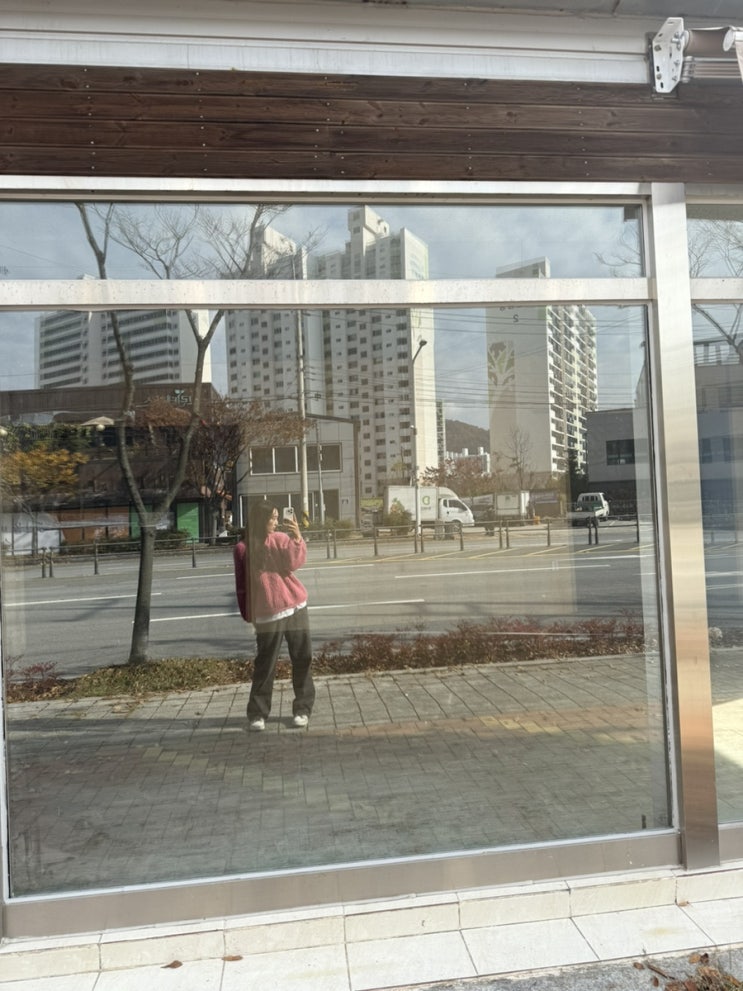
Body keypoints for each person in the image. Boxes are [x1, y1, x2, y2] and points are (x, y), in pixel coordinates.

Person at [233, 501, 315, 732]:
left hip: (295, 607)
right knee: (265, 665)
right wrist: (248, 614)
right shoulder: (242, 548)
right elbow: (242, 586)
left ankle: (302, 709)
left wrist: (296, 537)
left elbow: (294, 563)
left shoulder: (279, 538)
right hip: (267, 614)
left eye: (278, 517)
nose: (277, 522)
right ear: (261, 520)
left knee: (302, 658)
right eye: (273, 518)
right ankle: (257, 714)